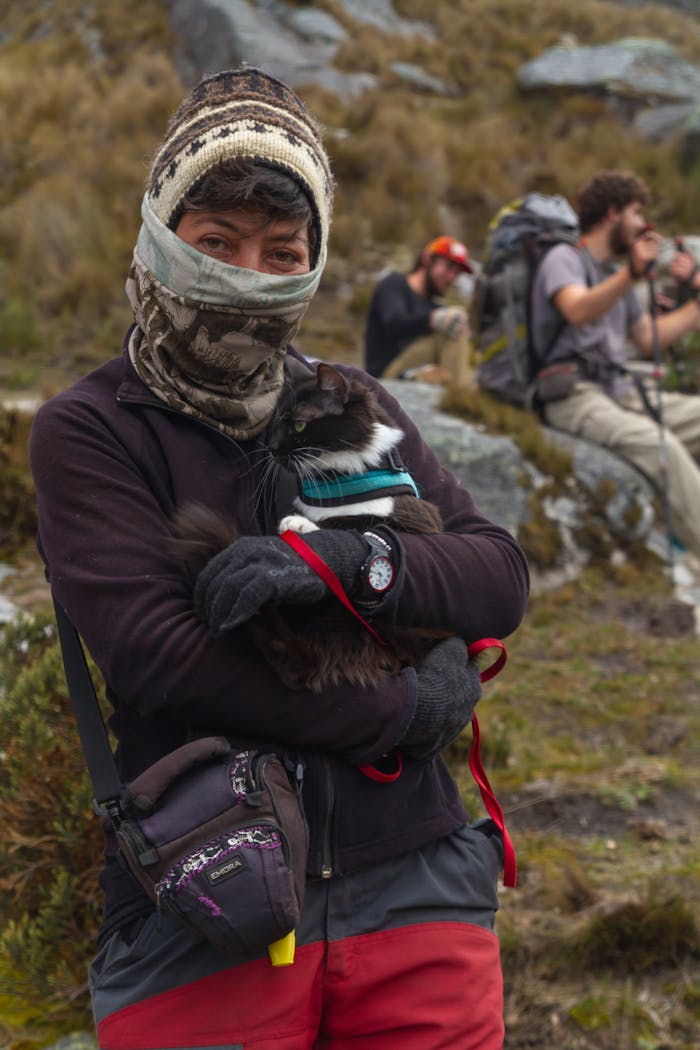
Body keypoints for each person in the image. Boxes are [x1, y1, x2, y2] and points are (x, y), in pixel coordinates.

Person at [30, 67, 529, 1049]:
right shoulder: (89, 430)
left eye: (282, 252)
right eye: (214, 244)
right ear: (158, 236)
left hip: (417, 889)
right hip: (205, 906)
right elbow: (162, 656)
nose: (248, 277)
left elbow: (496, 574)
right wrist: (402, 706)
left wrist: (356, 566)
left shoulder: (350, 400)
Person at [531, 169, 700, 558]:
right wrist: (632, 274)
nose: (642, 225)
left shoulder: (612, 275)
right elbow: (575, 309)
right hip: (572, 394)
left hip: (619, 389)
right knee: (664, 451)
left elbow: (647, 337)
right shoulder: (564, 258)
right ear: (613, 213)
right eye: (637, 214)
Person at [364, 235, 475, 385]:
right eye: (449, 268)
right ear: (428, 259)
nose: (451, 278)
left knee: (458, 328)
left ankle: (455, 392)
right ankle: (459, 394)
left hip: (415, 373)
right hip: (386, 377)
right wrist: (434, 320)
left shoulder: (436, 307)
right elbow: (393, 322)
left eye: (456, 273)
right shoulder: (394, 284)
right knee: (451, 331)